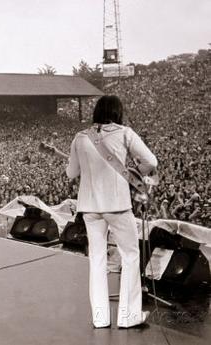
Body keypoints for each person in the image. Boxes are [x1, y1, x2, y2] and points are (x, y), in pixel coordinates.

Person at [65, 95, 158, 328]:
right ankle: (128, 317)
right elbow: (151, 161)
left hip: (90, 207)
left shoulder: (80, 136)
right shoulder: (125, 133)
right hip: (117, 205)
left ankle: (100, 318)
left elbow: (71, 173)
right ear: (118, 112)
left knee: (96, 259)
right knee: (130, 256)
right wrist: (133, 173)